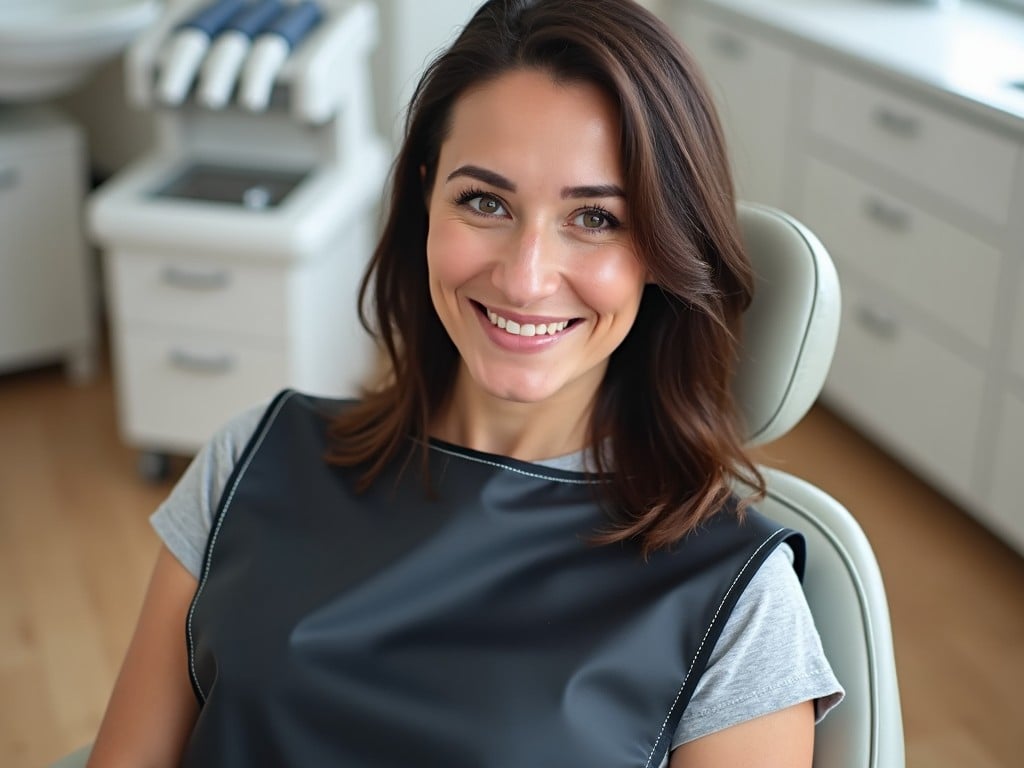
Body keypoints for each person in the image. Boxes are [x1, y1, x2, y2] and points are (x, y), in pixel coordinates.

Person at [88, 0, 843, 765]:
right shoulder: (252, 460)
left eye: (595, 220)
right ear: (426, 201)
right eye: (486, 202)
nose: (524, 278)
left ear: (663, 246)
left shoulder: (734, 599)